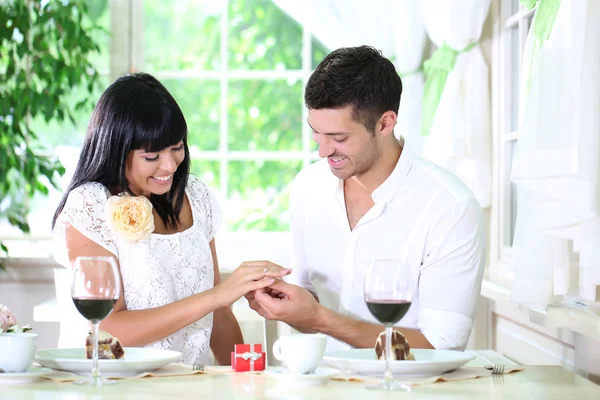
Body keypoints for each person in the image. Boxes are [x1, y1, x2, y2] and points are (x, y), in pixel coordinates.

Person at [246, 46, 486, 352]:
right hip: (321, 383)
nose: (323, 152)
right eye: (317, 135)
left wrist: (320, 318)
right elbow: (308, 302)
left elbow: (440, 346)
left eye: (339, 138)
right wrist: (280, 300)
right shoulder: (308, 187)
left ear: (385, 123)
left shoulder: (449, 207)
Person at [52, 73, 289, 366]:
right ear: (117, 150)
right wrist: (216, 297)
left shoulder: (194, 195)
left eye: (177, 148)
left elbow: (219, 315)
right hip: (114, 384)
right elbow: (108, 329)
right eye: (152, 156)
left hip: (187, 383)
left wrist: (247, 378)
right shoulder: (90, 205)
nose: (169, 166)